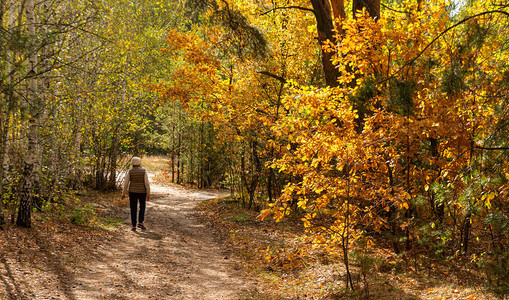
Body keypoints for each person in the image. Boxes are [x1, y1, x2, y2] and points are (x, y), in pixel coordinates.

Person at [122, 157, 150, 231]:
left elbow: (126, 183)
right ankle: (140, 222)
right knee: (142, 207)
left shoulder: (130, 171)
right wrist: (148, 193)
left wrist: (123, 193)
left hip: (132, 192)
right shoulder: (144, 171)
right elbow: (146, 183)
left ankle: (133, 225)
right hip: (142, 192)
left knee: (133, 208)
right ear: (139, 162)